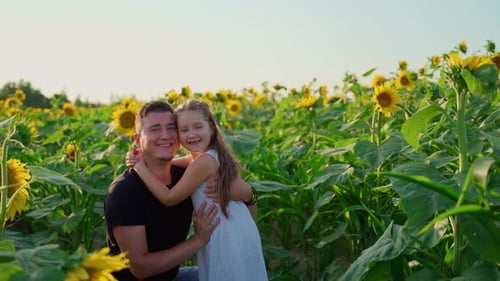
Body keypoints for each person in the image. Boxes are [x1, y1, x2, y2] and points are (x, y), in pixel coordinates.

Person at [104, 100, 254, 281]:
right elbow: (140, 270)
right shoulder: (124, 191)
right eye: (155, 129)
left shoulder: (187, 174)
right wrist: (198, 240)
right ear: (138, 140)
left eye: (171, 128)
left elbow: (246, 198)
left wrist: (246, 193)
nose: (165, 135)